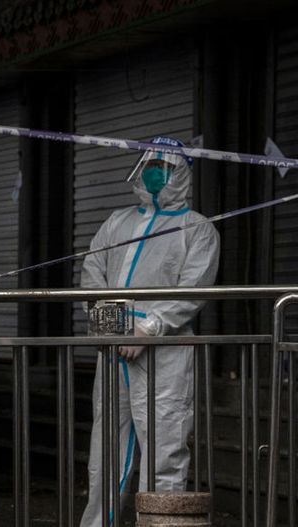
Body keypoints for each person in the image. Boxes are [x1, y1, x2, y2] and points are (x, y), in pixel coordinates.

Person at [78, 136, 220, 526]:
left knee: (164, 449)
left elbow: (193, 290)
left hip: (166, 355)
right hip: (114, 349)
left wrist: (149, 328)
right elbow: (92, 273)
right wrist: (116, 328)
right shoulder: (117, 222)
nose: (156, 174)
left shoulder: (197, 229)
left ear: (182, 174)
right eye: (151, 166)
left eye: (166, 167)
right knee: (105, 452)